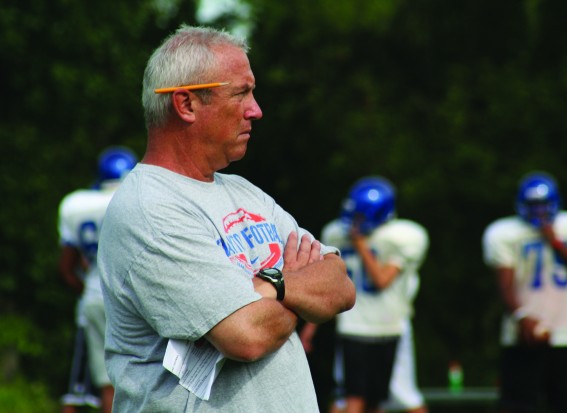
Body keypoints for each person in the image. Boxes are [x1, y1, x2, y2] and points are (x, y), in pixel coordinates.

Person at [96, 25, 356, 413]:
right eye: (241, 93)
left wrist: (269, 287)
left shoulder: (244, 192)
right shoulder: (148, 209)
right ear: (186, 105)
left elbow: (339, 285)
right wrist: (298, 291)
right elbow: (246, 336)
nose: (256, 109)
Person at [301, 176, 429, 413]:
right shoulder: (336, 233)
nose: (354, 224)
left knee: (378, 400)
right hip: (354, 326)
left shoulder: (401, 237)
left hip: (389, 327)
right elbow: (326, 283)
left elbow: (381, 280)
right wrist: (310, 327)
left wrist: (360, 244)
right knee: (351, 398)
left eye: (360, 217)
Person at [482, 171, 567, 413]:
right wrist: (521, 316)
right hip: (521, 333)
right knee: (517, 405)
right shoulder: (504, 233)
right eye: (533, 206)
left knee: (566, 404)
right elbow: (504, 283)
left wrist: (555, 242)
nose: (539, 213)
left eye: (543, 206)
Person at [58, 146, 138, 413]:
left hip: (94, 295)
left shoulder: (76, 205)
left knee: (108, 384)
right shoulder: (138, 199)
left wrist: (88, 288)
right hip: (134, 296)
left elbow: (67, 266)